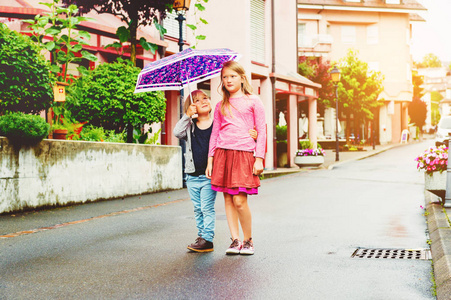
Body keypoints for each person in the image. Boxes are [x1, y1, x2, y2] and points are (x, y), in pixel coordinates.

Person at [174, 90, 257, 253]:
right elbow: (177, 132)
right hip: (191, 175)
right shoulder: (189, 127)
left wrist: (252, 135)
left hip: (209, 175)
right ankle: (201, 236)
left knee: (206, 207)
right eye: (197, 101)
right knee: (197, 209)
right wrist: (186, 116)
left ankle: (207, 238)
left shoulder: (217, 125)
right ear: (191, 107)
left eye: (205, 98)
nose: (203, 101)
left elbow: (235, 132)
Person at [206, 61, 266, 255]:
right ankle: (235, 240)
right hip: (223, 153)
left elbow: (262, 131)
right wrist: (210, 160)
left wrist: (259, 158)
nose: (228, 80)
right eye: (224, 77)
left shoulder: (253, 101)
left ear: (242, 78)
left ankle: (248, 240)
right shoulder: (220, 105)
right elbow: (214, 134)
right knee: (228, 200)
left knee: (240, 201)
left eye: (232, 76)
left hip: (244, 154)